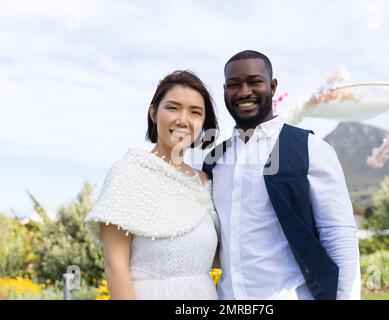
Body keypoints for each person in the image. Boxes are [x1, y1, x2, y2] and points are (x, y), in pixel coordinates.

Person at [203, 50, 361, 300]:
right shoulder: (214, 160)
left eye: (254, 82)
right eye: (233, 85)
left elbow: (338, 235)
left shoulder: (310, 149)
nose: (244, 92)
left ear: (273, 86)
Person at [85, 70, 220, 300]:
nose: (183, 119)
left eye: (195, 112)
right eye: (173, 107)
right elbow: (115, 267)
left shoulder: (205, 181)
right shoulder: (129, 172)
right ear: (154, 113)